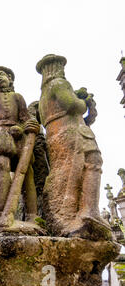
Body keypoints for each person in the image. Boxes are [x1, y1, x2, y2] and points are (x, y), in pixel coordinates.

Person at [36, 54, 111, 240]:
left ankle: (74, 212)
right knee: (91, 162)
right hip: (72, 134)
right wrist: (82, 100)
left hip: (57, 135)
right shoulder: (59, 84)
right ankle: (87, 211)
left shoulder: (44, 94)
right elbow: (73, 105)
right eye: (60, 66)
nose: (62, 70)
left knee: (68, 170)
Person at [0, 66, 39, 226]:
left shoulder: (17, 96)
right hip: (0, 134)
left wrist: (30, 124)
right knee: (0, 166)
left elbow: (25, 116)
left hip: (19, 136)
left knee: (28, 174)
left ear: (10, 79)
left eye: (1, 74)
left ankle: (33, 215)